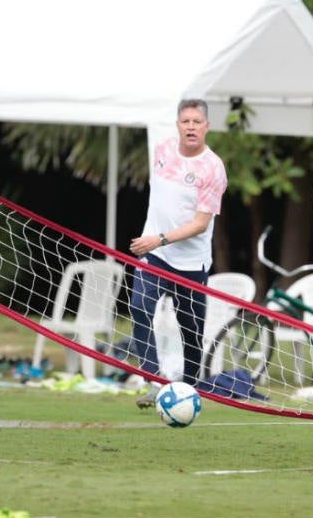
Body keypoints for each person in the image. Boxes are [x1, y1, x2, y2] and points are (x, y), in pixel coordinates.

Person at [129, 99, 228, 407]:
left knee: (191, 330)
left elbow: (200, 224)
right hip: (155, 255)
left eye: (197, 122)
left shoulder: (213, 168)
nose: (191, 127)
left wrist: (158, 239)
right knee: (140, 307)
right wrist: (154, 241)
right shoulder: (162, 151)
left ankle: (188, 390)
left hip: (190, 262)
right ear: (177, 125)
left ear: (207, 127)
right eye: (186, 121)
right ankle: (153, 379)